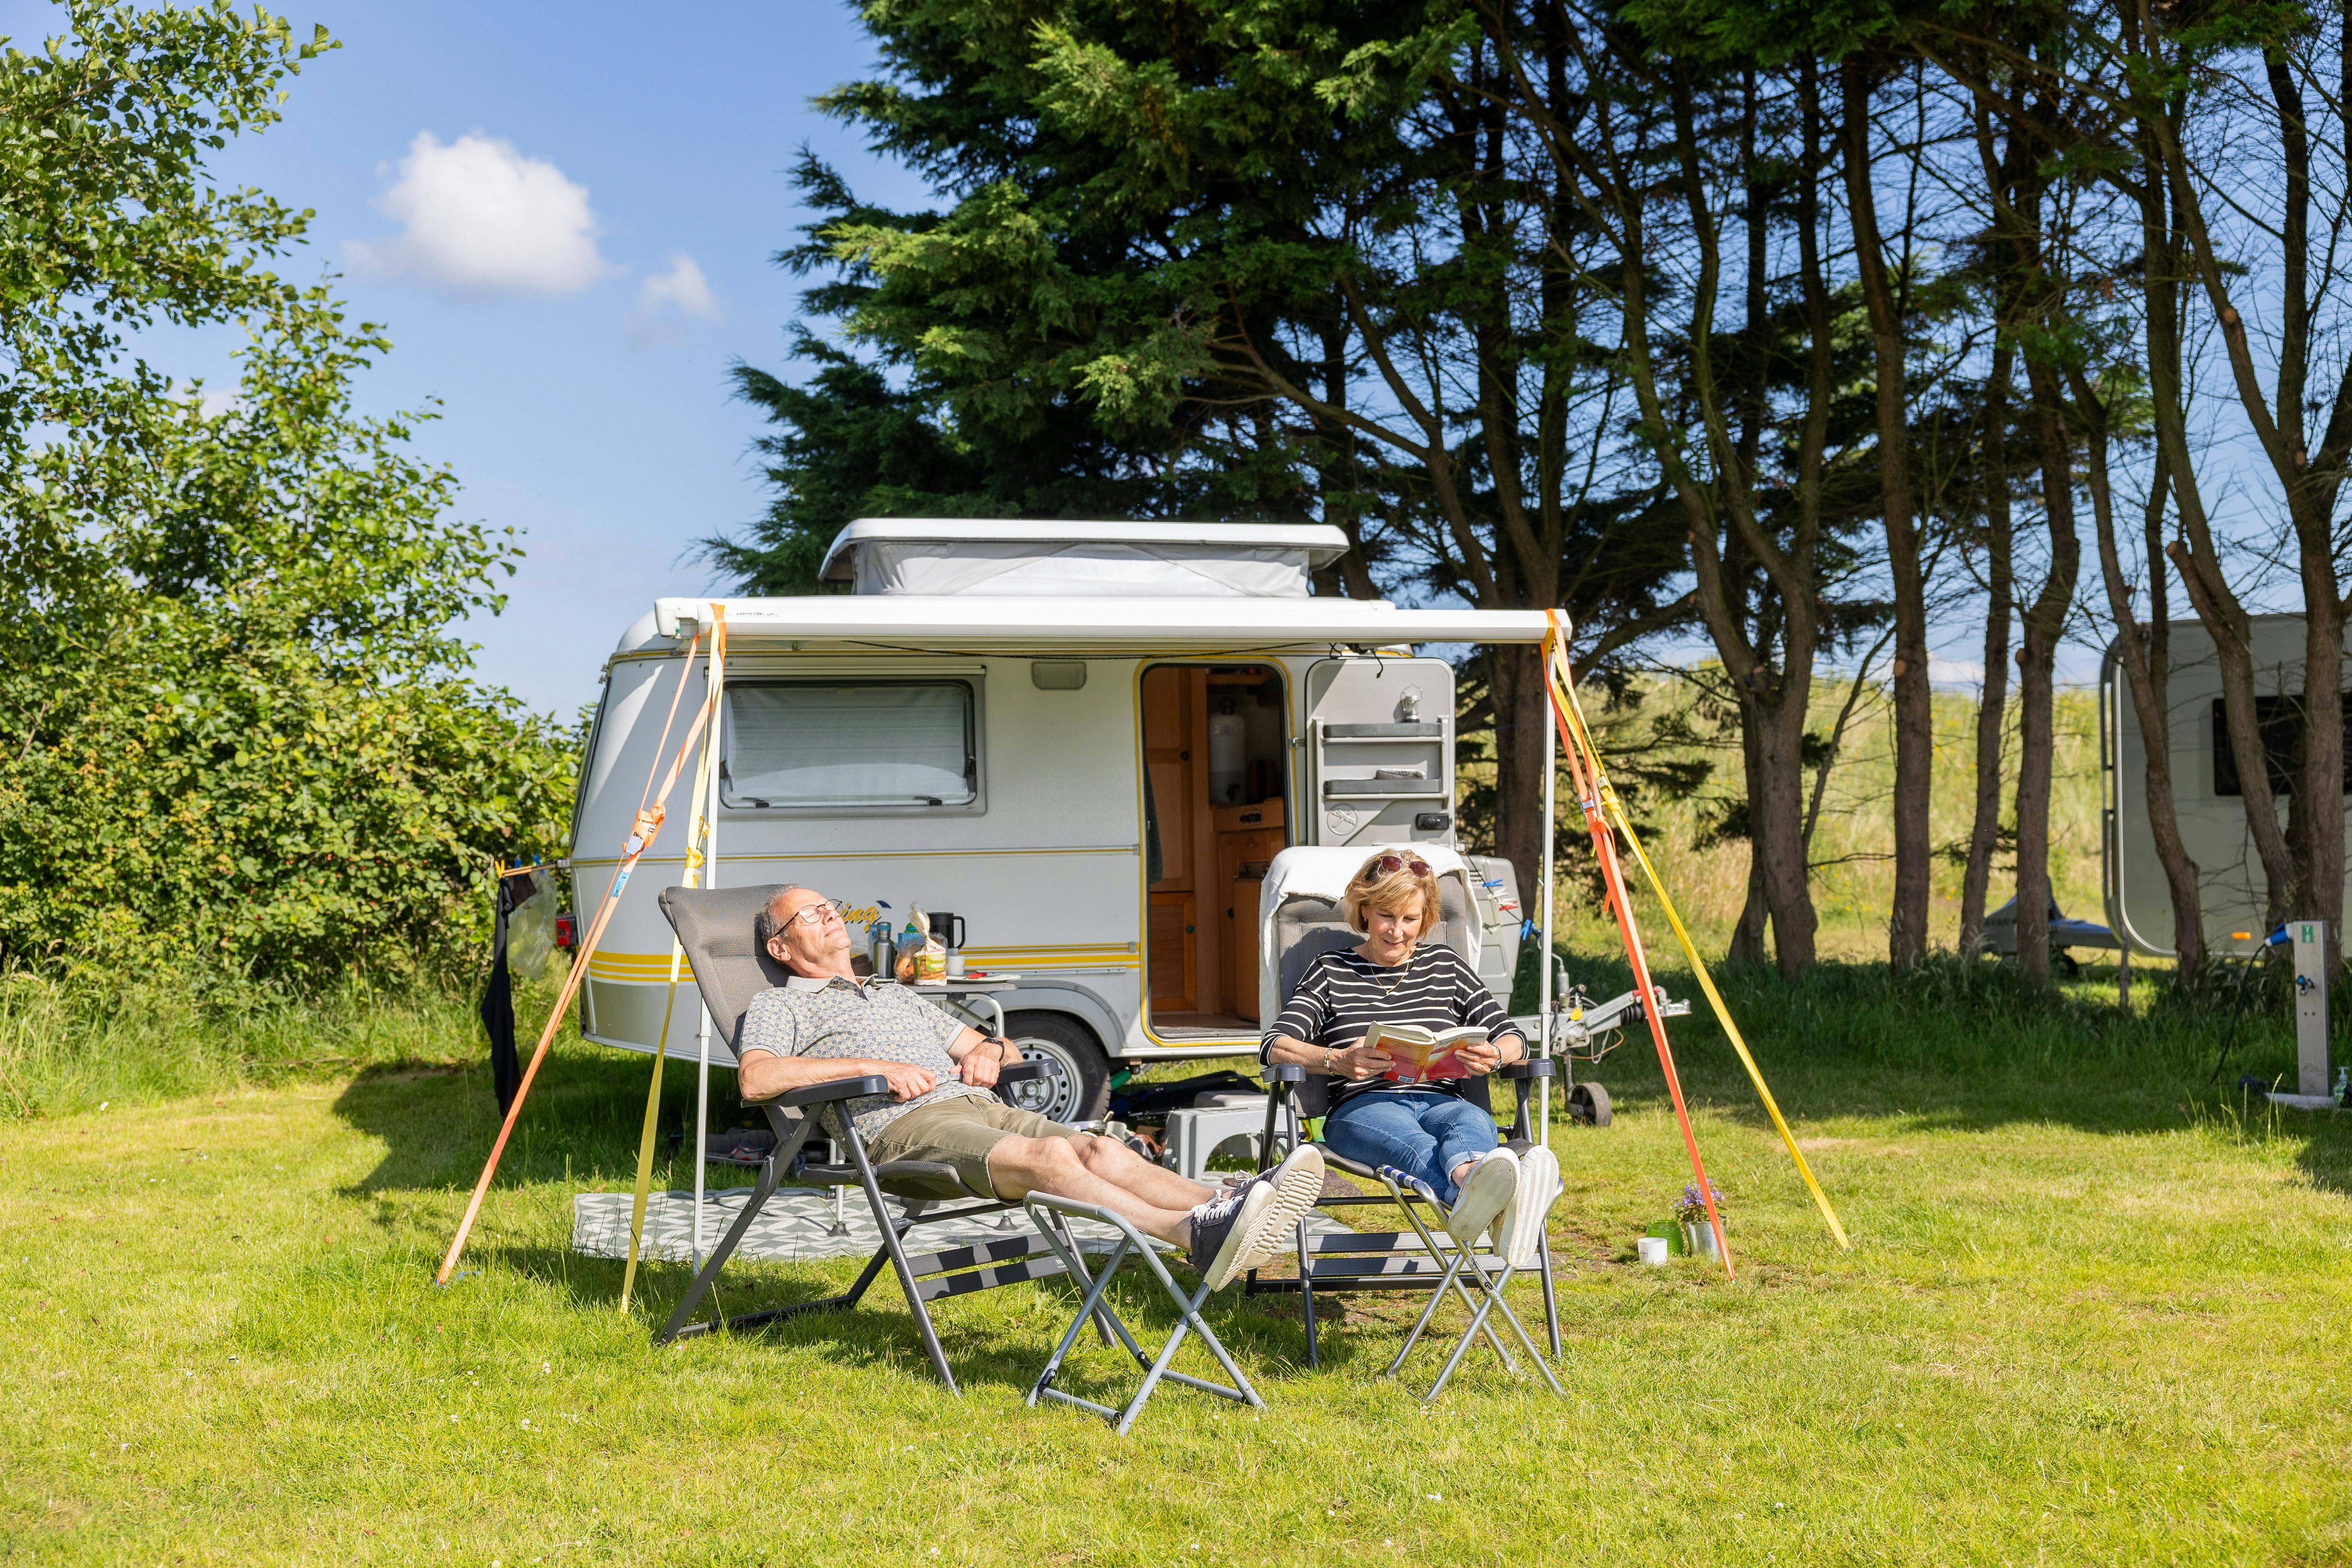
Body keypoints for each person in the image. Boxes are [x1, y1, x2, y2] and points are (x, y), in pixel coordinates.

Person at [736, 884, 1324, 1289]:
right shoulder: (780, 1004)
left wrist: (993, 1052)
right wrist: (874, 1068)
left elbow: (992, 1046)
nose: (830, 915)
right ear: (780, 948)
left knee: (1098, 1147)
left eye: (829, 906)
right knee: (1048, 1158)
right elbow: (757, 1078)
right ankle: (1192, 1235)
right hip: (903, 1130)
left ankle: (1231, 1205)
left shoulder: (892, 992)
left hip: (976, 1106)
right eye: (809, 915)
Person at [1261, 852, 1526, 1216]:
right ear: (1365, 909)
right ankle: (1499, 1205)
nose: (1397, 931)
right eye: (1386, 915)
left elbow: (1512, 1036)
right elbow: (1275, 1045)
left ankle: (1468, 1185)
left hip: (1444, 1102)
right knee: (1415, 1144)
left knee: (1472, 1122)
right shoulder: (1331, 969)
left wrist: (1496, 1055)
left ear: (1426, 918)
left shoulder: (1447, 966)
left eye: (1410, 919)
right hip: (1364, 1108)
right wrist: (1336, 1061)